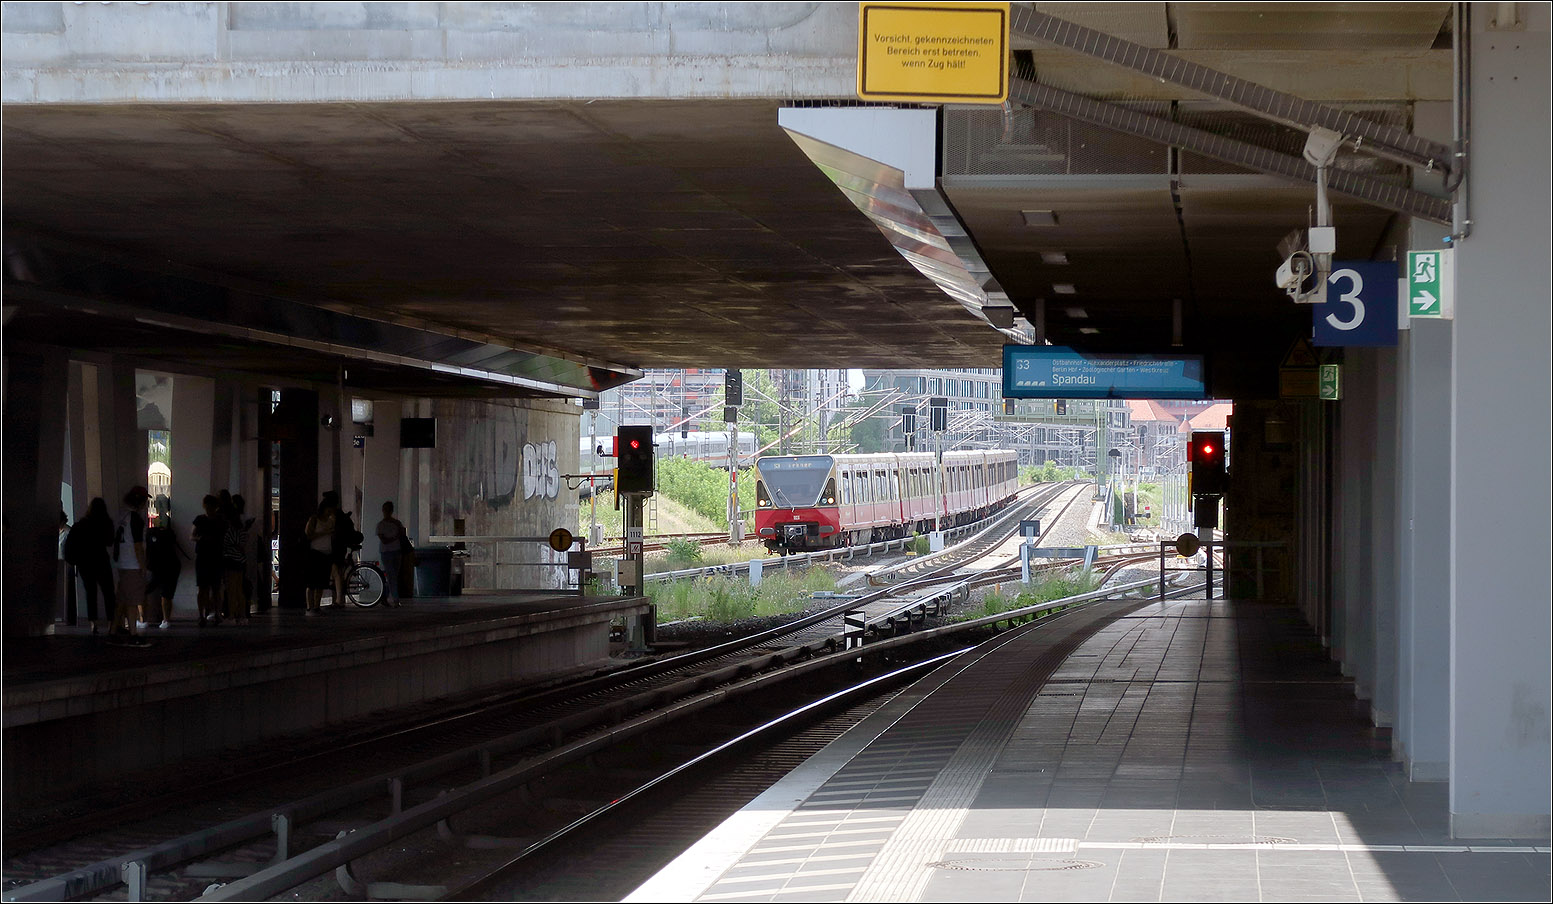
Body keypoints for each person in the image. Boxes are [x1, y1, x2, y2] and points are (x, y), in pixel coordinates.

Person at [65, 498, 116, 634]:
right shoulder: (106, 523)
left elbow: (71, 544)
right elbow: (110, 542)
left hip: (85, 563)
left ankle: (93, 623)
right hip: (101, 560)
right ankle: (111, 623)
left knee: (91, 593)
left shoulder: (81, 524)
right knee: (108, 593)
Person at [110, 486, 152, 646]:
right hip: (132, 564)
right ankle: (133, 634)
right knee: (133, 601)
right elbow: (137, 545)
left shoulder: (122, 516)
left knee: (122, 599)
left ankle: (114, 630)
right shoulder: (135, 519)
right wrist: (143, 565)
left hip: (121, 562)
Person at [145, 507, 188, 629]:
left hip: (155, 566)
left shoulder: (150, 533)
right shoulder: (170, 533)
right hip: (171, 565)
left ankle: (142, 619)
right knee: (167, 594)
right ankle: (166, 619)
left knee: (144, 591)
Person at [192, 494, 226, 625]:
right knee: (215, 588)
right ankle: (216, 613)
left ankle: (202, 614)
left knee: (203, 588)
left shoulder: (200, 520)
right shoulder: (220, 521)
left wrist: (199, 539)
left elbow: (192, 535)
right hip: (215, 556)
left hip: (203, 556)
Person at [222, 494, 254, 623]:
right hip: (240, 560)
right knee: (239, 588)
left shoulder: (228, 530)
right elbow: (242, 546)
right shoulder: (242, 530)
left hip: (230, 560)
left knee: (230, 589)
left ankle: (231, 615)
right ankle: (242, 615)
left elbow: (226, 544)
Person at [304, 497, 337, 615]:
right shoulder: (314, 519)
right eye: (329, 509)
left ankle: (316, 606)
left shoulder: (331, 521)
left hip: (326, 553)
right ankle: (310, 606)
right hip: (315, 553)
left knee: (321, 583)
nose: (330, 512)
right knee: (312, 582)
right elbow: (308, 535)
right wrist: (325, 532)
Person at [375, 500, 407, 607]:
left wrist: (391, 539)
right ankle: (396, 600)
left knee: (391, 576)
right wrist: (395, 537)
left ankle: (385, 597)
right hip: (395, 551)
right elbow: (401, 535)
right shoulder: (396, 524)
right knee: (393, 576)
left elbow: (383, 540)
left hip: (387, 552)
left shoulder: (381, 525)